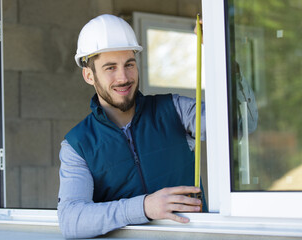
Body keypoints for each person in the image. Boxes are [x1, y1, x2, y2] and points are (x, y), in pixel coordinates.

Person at [57, 14, 257, 239]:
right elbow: (71, 220)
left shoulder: (175, 109)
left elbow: (243, 125)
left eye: (129, 64)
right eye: (110, 68)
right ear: (89, 75)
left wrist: (225, 56)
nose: (123, 77)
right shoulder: (77, 145)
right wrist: (144, 207)